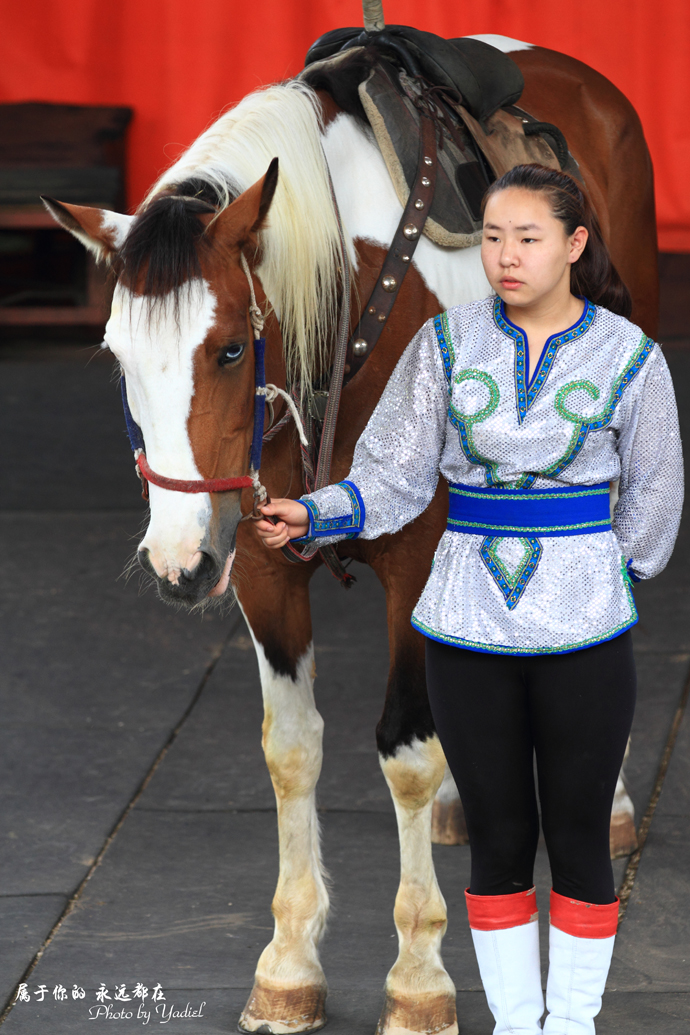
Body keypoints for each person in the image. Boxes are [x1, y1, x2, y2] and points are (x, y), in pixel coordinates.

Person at [253, 163, 683, 1034]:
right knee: (494, 835)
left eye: (527, 238)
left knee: (577, 836)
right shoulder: (445, 345)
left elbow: (655, 499)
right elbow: (391, 478)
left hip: (587, 633)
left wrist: (603, 575)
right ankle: (521, 1025)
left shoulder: (632, 357)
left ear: (574, 244)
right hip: (463, 624)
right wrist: (315, 511)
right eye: (490, 238)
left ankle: (572, 1023)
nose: (505, 256)